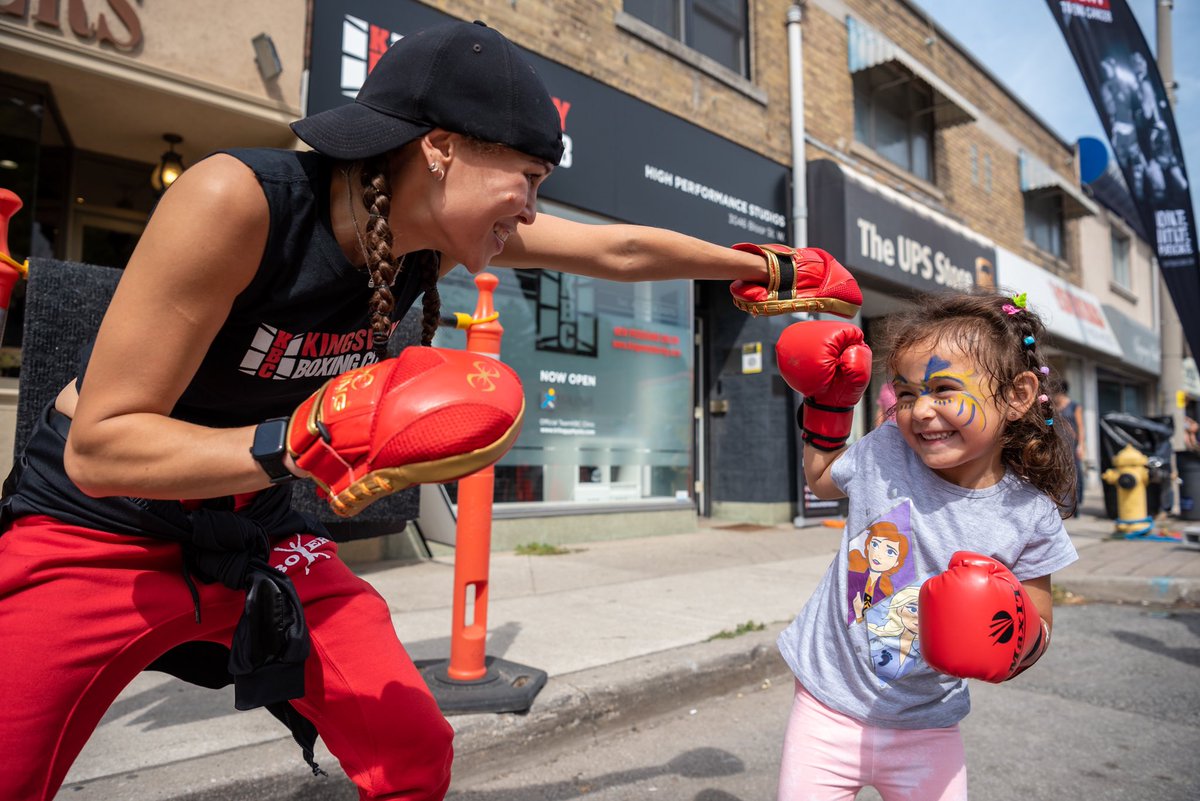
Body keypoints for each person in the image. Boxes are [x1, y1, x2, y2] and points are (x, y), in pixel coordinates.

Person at [0, 19, 858, 801]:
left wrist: (768, 265)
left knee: (413, 747)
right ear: (441, 148)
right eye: (526, 178)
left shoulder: (423, 233)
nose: (532, 208)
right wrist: (302, 439)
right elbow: (101, 446)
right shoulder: (236, 199)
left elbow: (619, 247)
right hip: (97, 527)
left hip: (249, 524)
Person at [772, 292, 1078, 800]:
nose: (921, 411)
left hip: (927, 725)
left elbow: (1040, 620)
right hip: (824, 702)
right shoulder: (888, 448)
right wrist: (829, 405)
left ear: (1019, 395)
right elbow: (823, 479)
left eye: (943, 389)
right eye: (907, 393)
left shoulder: (1028, 514)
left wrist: (1007, 639)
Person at [1055, 381, 1086, 508]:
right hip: (1059, 444)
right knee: (1060, 472)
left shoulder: (1074, 406)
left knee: (1075, 471)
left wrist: (1081, 445)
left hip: (1072, 444)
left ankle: (1077, 502)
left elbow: (1080, 427)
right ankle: (1064, 502)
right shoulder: (1054, 407)